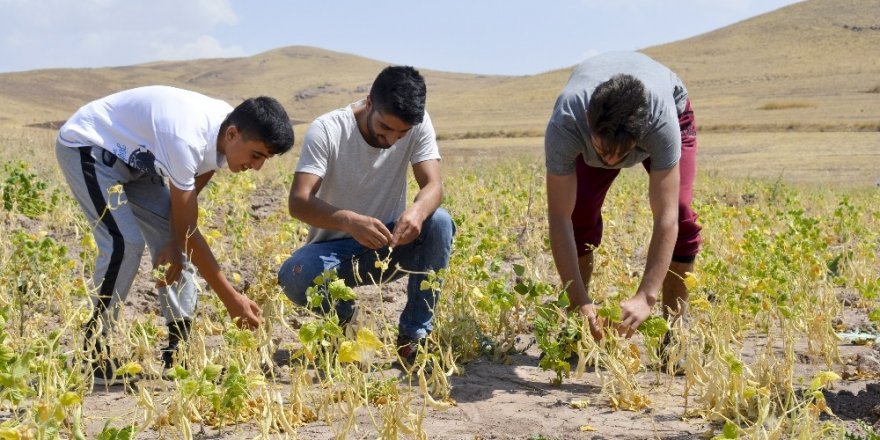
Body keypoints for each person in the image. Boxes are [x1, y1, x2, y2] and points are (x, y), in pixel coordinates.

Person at [56, 85, 295, 383]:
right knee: (124, 243)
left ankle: (178, 349)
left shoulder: (224, 129)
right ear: (232, 134)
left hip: (137, 162)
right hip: (89, 146)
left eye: (264, 160)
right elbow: (189, 230)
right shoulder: (186, 139)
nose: (257, 167)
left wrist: (173, 240)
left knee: (177, 247)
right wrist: (233, 301)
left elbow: (188, 204)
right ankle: (94, 350)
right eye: (256, 155)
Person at [277, 66, 455, 365]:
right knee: (294, 275)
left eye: (403, 133)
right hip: (333, 254)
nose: (393, 140)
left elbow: (433, 186)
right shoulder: (328, 129)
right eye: (386, 128)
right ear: (369, 102)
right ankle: (346, 322)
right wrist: (348, 220)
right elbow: (299, 201)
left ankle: (414, 337)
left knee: (438, 221)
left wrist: (417, 211)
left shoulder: (418, 124)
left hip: (390, 245)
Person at [544, 52, 701, 342]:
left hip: (672, 108)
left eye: (622, 153)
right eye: (604, 152)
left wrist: (646, 296)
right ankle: (576, 326)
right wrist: (580, 301)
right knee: (578, 216)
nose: (613, 160)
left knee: (681, 212)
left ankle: (675, 333)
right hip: (594, 124)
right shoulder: (566, 124)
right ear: (588, 123)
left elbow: (666, 217)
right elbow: (559, 216)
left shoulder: (661, 123)